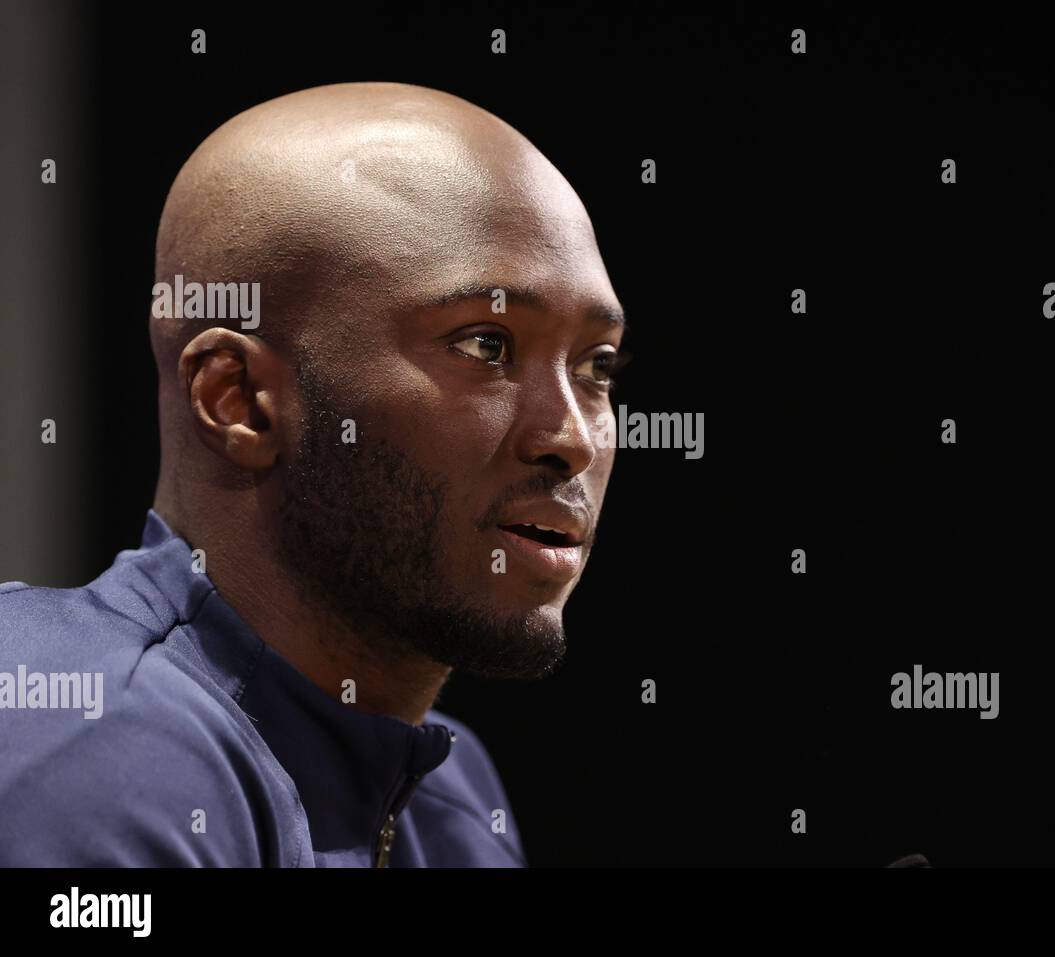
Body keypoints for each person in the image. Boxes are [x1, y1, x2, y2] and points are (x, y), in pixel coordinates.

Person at [0, 82, 627, 866]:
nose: (571, 436)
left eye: (597, 365)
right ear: (239, 401)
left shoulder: (453, 795)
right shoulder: (92, 745)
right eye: (485, 346)